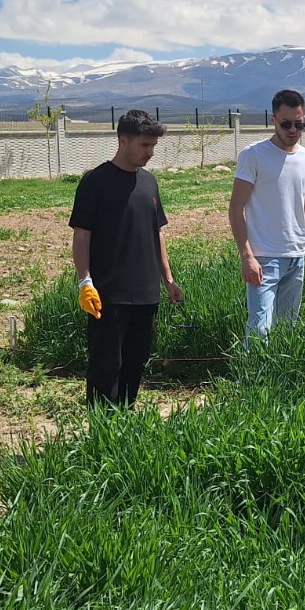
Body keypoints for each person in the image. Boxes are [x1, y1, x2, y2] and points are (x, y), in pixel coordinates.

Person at [69, 109, 183, 407]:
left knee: (136, 363)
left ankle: (125, 425)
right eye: (145, 146)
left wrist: (167, 279)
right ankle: (102, 432)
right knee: (106, 367)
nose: (151, 152)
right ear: (123, 141)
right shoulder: (95, 182)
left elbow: (156, 232)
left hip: (146, 294)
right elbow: (82, 236)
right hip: (108, 294)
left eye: (153, 146)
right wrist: (85, 282)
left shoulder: (149, 183)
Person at [228, 89, 305, 339]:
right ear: (273, 119)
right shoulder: (253, 155)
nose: (293, 130)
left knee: (288, 329)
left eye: (299, 123)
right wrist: (247, 257)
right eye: (286, 124)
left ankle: (280, 378)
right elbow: (235, 209)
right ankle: (253, 376)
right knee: (259, 330)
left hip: (297, 257)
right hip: (263, 258)